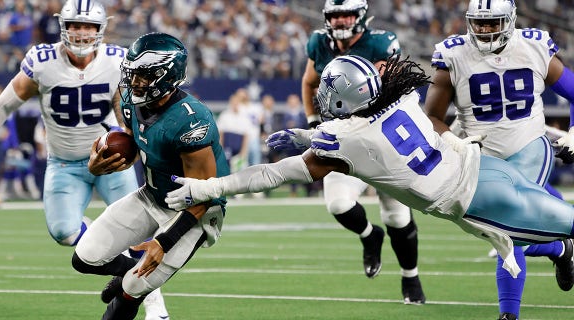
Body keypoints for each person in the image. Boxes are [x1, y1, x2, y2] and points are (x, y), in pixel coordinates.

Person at [165, 55, 574, 312]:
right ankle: (561, 250)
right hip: (481, 168)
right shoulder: (398, 98)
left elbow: (270, 174)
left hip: (476, 198)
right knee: (538, 231)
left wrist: (205, 188)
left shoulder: (344, 139)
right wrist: (304, 134)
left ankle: (562, 249)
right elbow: (371, 133)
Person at [0, 1, 169, 319]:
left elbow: (126, 115)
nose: (81, 32)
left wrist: (135, 144)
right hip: (65, 164)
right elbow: (4, 105)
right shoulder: (42, 61)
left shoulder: (117, 61)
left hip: (109, 160)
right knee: (64, 231)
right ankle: (122, 262)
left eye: (88, 26)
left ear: (100, 29)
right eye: (75, 25)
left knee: (138, 236)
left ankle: (156, 309)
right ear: (63, 27)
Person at [423, 1, 574, 319]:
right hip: (482, 157)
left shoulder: (532, 46)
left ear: (510, 20)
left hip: (529, 147)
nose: (486, 29)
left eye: (493, 22)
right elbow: (432, 117)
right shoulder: (453, 55)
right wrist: (452, 140)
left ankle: (509, 314)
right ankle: (561, 247)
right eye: (479, 22)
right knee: (495, 228)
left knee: (509, 227)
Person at [71, 32, 230, 320]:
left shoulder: (190, 120)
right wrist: (99, 166)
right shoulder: (134, 103)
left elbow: (206, 195)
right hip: (151, 196)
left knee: (133, 288)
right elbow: (135, 148)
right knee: (85, 257)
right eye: (132, 73)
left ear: (168, 75)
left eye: (144, 75)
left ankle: (128, 284)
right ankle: (125, 274)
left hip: (192, 212)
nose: (135, 82)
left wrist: (164, 241)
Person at [300, 0, 424, 304]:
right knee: (339, 205)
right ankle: (370, 235)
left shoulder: (381, 44)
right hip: (343, 142)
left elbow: (401, 94)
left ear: (361, 16)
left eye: (347, 14)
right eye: (335, 15)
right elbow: (308, 81)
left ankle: (411, 277)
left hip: (382, 143)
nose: (341, 21)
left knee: (396, 216)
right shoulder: (318, 42)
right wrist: (313, 121)